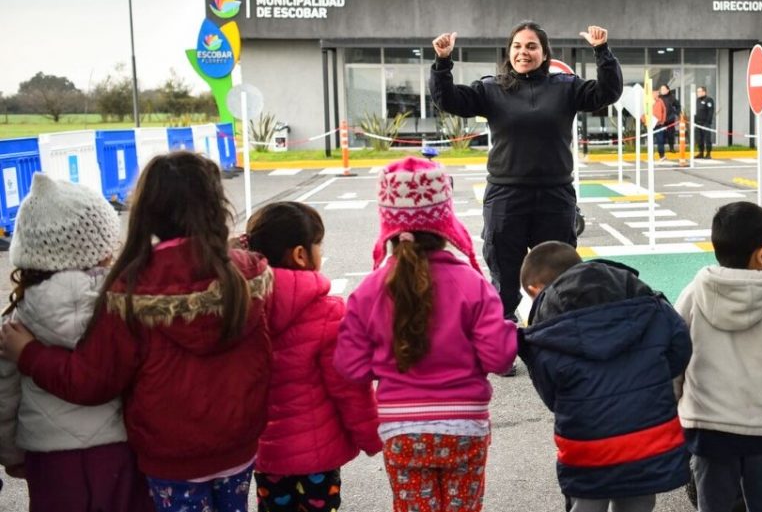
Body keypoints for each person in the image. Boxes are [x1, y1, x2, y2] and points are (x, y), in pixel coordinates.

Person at [0, 151, 274, 512]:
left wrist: (30, 354)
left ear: (146, 210)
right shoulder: (245, 272)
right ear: (216, 204)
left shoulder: (132, 288)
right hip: (239, 445)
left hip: (170, 457)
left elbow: (92, 380)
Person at [334, 157, 517, 512]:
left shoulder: (370, 290)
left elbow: (350, 366)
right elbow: (499, 357)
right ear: (445, 222)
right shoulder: (473, 285)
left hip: (401, 429)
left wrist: (388, 359)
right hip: (465, 426)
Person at [429, 22, 623, 324]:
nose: (523, 52)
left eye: (531, 46)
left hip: (555, 196)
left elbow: (607, 93)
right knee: (504, 277)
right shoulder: (491, 89)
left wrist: (602, 52)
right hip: (506, 197)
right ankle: (502, 343)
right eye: (517, 46)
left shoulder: (566, 87)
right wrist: (443, 61)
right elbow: (449, 99)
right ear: (509, 52)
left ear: (544, 54)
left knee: (560, 277)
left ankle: (559, 340)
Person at [0, 173, 152, 512]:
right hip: (120, 450)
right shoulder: (124, 304)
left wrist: (12, 455)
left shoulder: (16, 321)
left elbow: (4, 398)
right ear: (101, 247)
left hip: (49, 460)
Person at [518, 241, 691, 512]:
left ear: (535, 289)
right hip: (647, 434)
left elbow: (549, 389)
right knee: (639, 498)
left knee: (588, 501)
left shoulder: (546, 327)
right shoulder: (641, 296)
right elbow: (680, 345)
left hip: (586, 441)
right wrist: (653, 379)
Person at [242, 202, 383, 512]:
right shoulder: (327, 312)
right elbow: (348, 387)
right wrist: (371, 436)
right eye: (318, 245)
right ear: (301, 255)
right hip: (319, 458)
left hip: (266, 454)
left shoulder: (244, 308)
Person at [674, 202, 762, 512]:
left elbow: (675, 353)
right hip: (761, 426)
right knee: (761, 501)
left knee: (713, 502)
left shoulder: (694, 293)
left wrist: (676, 401)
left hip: (705, 424)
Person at [652, 85, 680, 161]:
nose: (662, 91)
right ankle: (653, 154)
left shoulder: (672, 98)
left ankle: (671, 149)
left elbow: (677, 107)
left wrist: (675, 113)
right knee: (659, 138)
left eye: (664, 89)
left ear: (668, 90)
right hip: (656, 122)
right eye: (661, 89)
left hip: (669, 120)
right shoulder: (658, 98)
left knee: (670, 135)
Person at [694, 86, 715, 159]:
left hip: (705, 123)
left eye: (699, 91)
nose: (698, 93)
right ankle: (701, 153)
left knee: (707, 139)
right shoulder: (697, 100)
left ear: (704, 92)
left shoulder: (709, 100)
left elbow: (710, 112)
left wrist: (707, 122)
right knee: (699, 139)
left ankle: (708, 153)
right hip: (698, 123)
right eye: (697, 91)